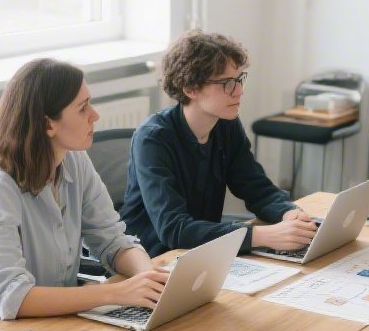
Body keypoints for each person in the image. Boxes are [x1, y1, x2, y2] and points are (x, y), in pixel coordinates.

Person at [0, 59, 166, 331]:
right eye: (82, 108)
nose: (95, 115)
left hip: (48, 326)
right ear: (48, 124)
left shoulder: (75, 161)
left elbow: (113, 241)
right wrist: (112, 293)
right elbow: (12, 298)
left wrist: (148, 279)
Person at [119, 30, 318, 258]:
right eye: (227, 83)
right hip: (153, 262)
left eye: (239, 79)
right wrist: (262, 236)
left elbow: (257, 189)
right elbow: (174, 229)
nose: (240, 91)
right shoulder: (152, 139)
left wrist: (289, 213)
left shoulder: (225, 124)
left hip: (204, 253)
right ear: (191, 88)